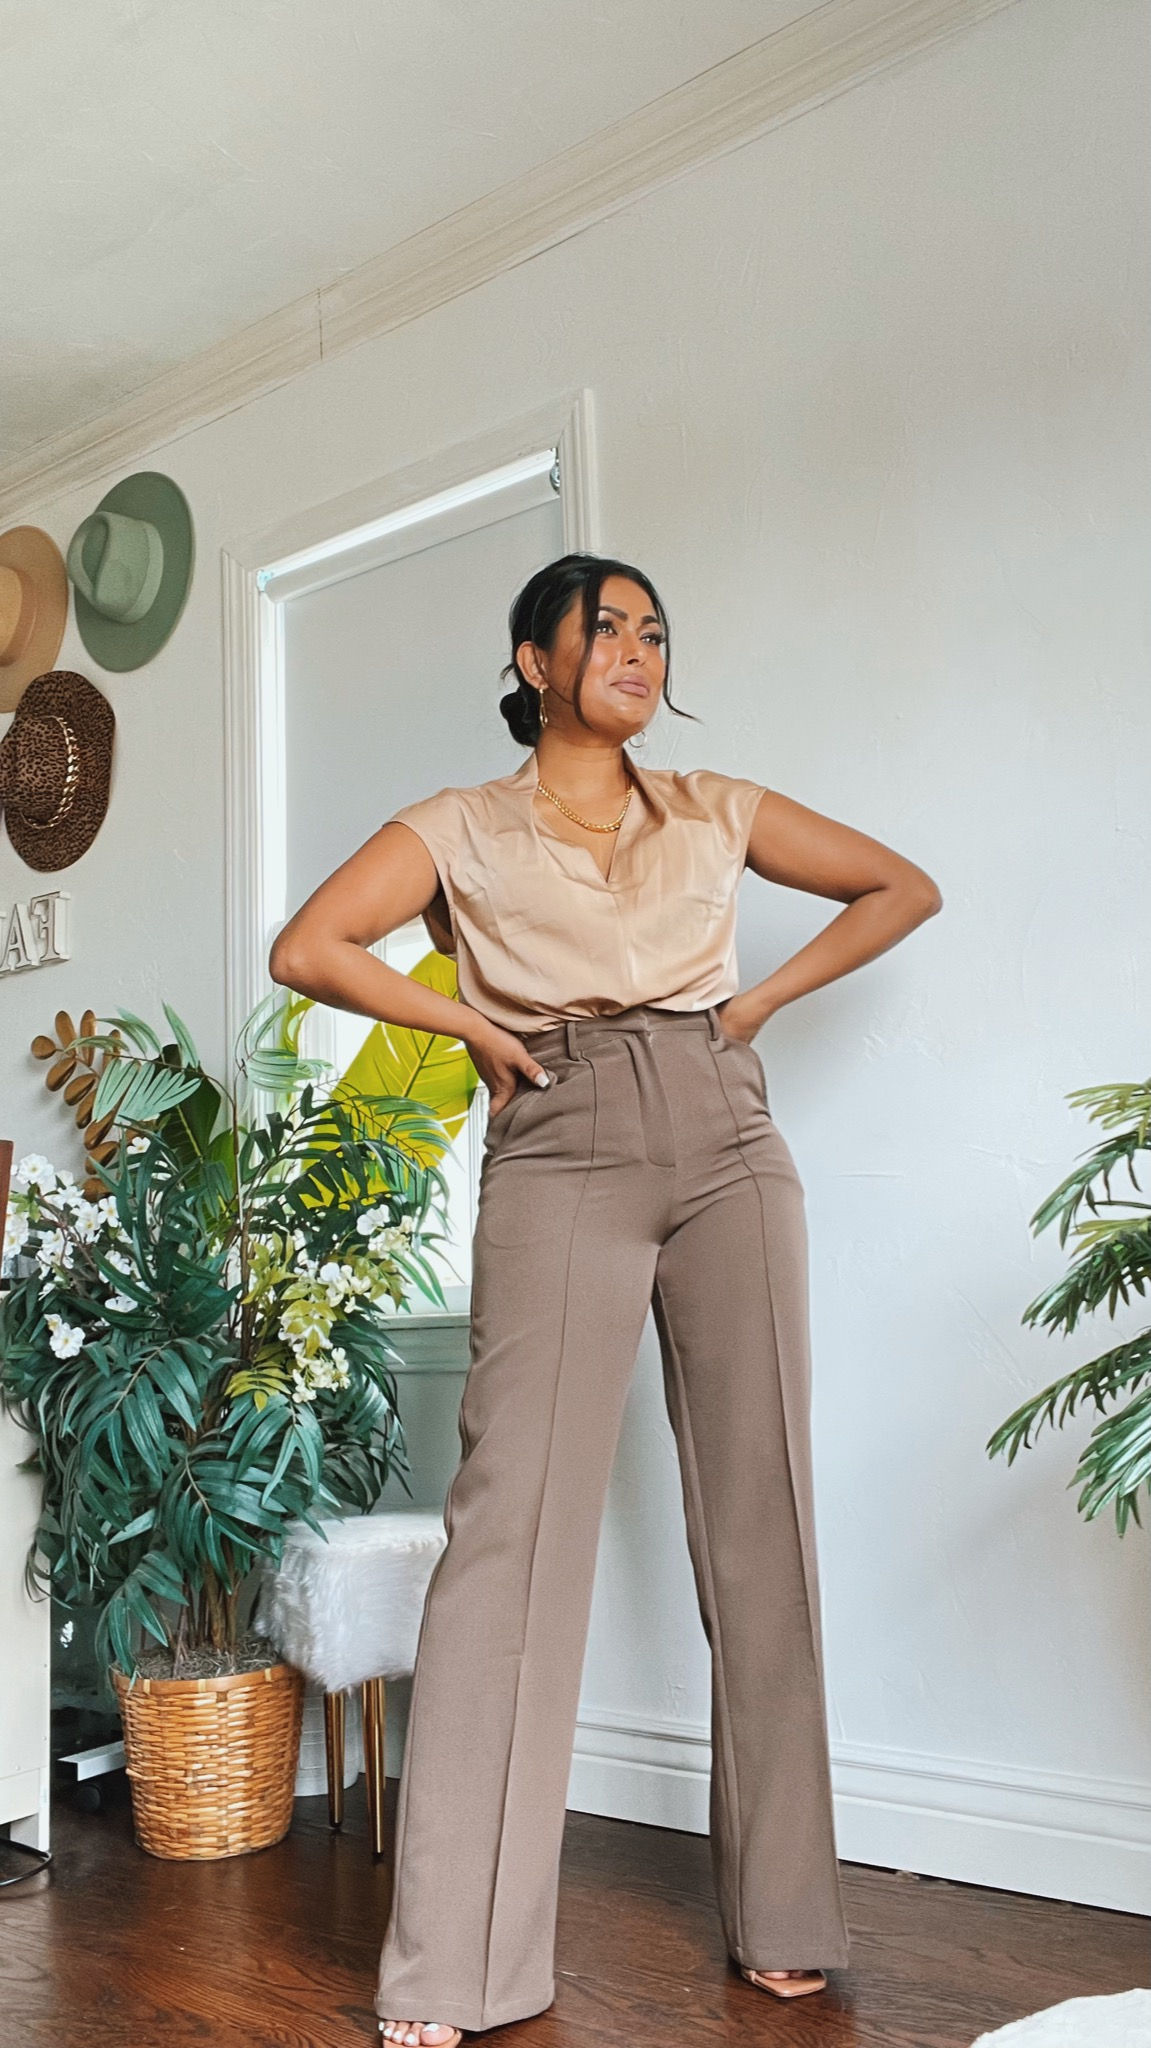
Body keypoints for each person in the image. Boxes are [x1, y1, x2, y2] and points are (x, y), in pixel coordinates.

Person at [269, 552, 942, 2047]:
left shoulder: (715, 807)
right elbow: (306, 947)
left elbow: (905, 885)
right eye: (608, 629)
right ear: (533, 660)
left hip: (727, 1136)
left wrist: (752, 1008)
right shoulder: (457, 828)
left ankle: (786, 1916)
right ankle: (459, 1966)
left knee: (760, 1516)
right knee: (509, 1533)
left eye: (655, 633)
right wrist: (462, 1021)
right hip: (559, 1130)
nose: (637, 651)